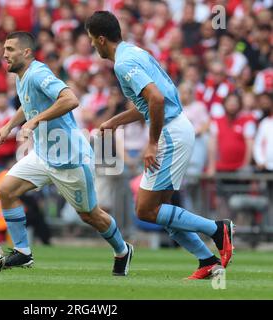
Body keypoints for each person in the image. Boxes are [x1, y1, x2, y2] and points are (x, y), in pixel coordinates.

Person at [85, 11, 234, 280]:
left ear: (101, 39)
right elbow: (150, 101)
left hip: (171, 133)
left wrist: (152, 143)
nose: (92, 45)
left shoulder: (123, 63)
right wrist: (115, 121)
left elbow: (156, 100)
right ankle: (207, 260)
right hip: (177, 127)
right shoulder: (135, 52)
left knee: (145, 209)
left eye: (92, 40)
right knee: (161, 210)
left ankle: (217, 229)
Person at [0, 31, 133, 276]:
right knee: (5, 190)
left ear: (26, 52)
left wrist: (35, 120)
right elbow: (29, 107)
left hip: (71, 160)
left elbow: (70, 99)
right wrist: (8, 126)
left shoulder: (39, 73)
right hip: (43, 155)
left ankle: (122, 250)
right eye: (4, 49)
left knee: (90, 216)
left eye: (10, 49)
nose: (5, 54)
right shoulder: (21, 76)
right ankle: (23, 253)